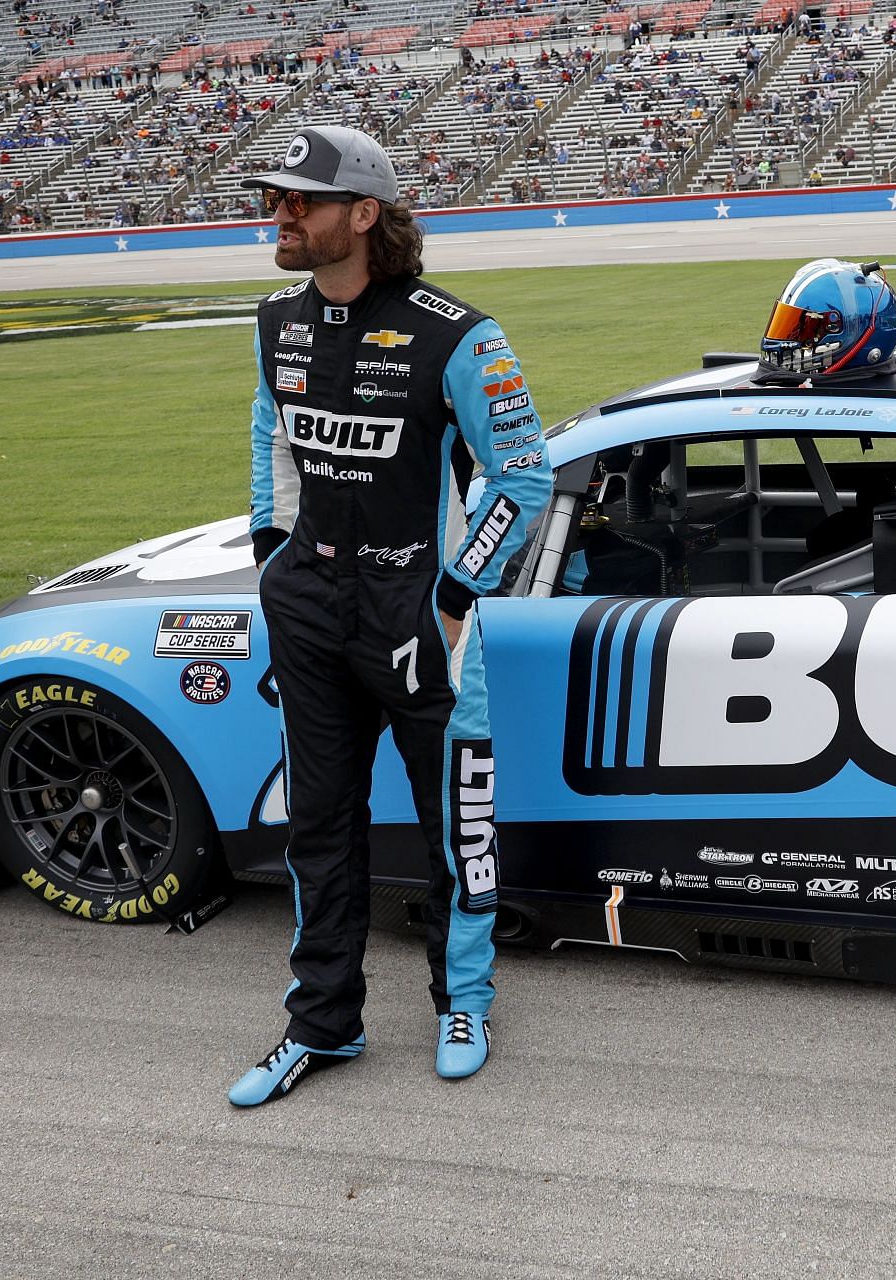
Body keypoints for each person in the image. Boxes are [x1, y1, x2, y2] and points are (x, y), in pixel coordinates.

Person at [227, 124, 550, 1107]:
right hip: (313, 604)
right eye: (274, 199)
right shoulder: (276, 318)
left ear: (363, 215)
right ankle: (323, 1021)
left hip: (423, 612)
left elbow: (525, 478)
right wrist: (268, 553)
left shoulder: (461, 334)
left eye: (299, 201)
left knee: (458, 823)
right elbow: (270, 432)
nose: (278, 217)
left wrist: (458, 594)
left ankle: (464, 997)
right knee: (318, 824)